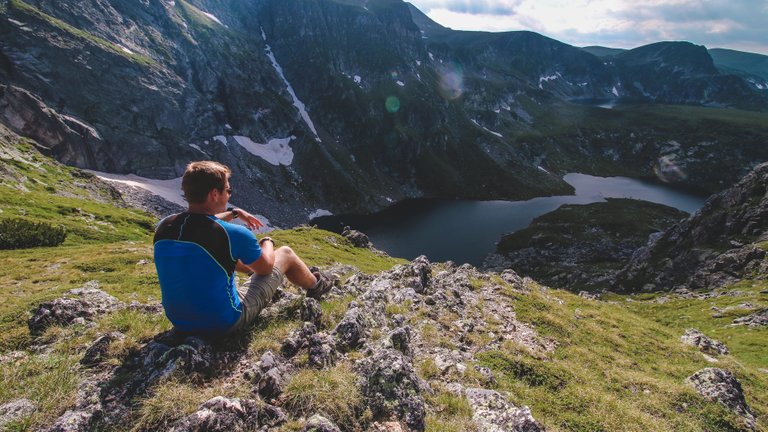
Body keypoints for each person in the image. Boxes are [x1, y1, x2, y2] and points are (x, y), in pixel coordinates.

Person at [153, 161, 334, 336]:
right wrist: (267, 242)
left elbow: (200, 223)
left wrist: (234, 213)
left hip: (180, 322)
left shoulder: (164, 226)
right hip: (222, 323)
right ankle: (317, 286)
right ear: (214, 194)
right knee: (285, 253)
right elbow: (265, 268)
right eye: (228, 190)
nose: (229, 195)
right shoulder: (233, 234)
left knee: (228, 258)